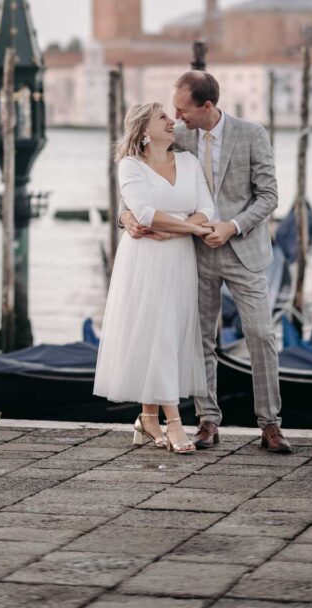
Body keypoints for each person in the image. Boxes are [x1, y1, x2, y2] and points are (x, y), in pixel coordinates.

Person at [120, 71, 292, 454]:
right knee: (199, 340)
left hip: (243, 250)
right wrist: (124, 217)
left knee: (261, 335)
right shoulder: (177, 136)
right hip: (193, 254)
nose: (177, 117)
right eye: (174, 111)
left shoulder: (252, 134)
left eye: (183, 110)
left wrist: (232, 227)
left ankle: (270, 425)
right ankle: (207, 421)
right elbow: (139, 179)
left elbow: (268, 197)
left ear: (207, 106)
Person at [93, 101, 215, 453]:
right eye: (163, 117)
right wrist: (189, 226)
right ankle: (174, 424)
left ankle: (148, 418)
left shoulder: (189, 162)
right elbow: (143, 213)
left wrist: (181, 231)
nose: (172, 120)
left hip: (179, 256)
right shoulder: (130, 165)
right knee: (156, 332)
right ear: (144, 129)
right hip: (145, 258)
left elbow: (207, 209)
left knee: (168, 334)